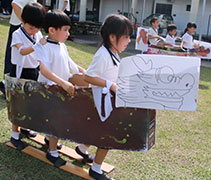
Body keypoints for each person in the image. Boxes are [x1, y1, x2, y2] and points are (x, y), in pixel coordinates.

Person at [37, 10, 93, 166]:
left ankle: (49, 139)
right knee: (57, 120)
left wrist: (84, 72)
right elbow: (44, 70)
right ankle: (52, 152)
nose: (68, 33)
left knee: (60, 119)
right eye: (65, 30)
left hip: (61, 88)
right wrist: (62, 82)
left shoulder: (62, 46)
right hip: (50, 89)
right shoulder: (44, 46)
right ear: (52, 30)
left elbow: (71, 64)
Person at [84, 14, 132, 180]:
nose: (129, 41)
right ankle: (96, 169)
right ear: (112, 37)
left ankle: (81, 150)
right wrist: (110, 85)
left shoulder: (113, 52)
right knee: (107, 135)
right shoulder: (103, 54)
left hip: (107, 100)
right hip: (101, 102)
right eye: (126, 37)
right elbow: (88, 77)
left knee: (97, 131)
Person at [9, 2, 46, 149]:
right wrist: (37, 45)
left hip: (33, 70)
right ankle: (14, 134)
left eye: (37, 28)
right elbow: (22, 51)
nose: (34, 31)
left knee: (30, 102)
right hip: (19, 71)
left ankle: (25, 128)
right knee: (18, 103)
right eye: (31, 27)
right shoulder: (17, 34)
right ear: (23, 21)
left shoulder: (37, 33)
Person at [0, 0, 37, 96]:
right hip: (20, 27)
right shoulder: (19, 32)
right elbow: (15, 4)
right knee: (14, 61)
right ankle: (7, 85)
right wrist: (26, 24)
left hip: (25, 27)